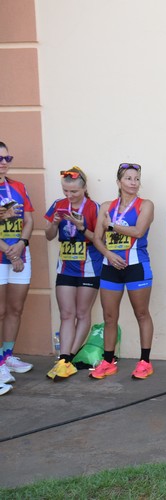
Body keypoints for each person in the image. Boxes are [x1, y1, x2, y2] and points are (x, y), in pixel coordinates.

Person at [90, 163, 155, 380]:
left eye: (136, 179)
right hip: (111, 266)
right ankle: (108, 361)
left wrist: (112, 226)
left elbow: (138, 231)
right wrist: (108, 255)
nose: (133, 183)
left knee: (141, 313)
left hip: (136, 266)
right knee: (109, 316)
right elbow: (97, 239)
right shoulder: (107, 206)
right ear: (119, 182)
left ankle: (145, 361)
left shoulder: (145, 205)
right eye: (128, 178)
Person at [44, 167, 103, 380]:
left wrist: (80, 227)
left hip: (89, 267)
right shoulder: (58, 205)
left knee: (82, 313)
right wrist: (55, 223)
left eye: (74, 192)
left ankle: (67, 359)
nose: (69, 196)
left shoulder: (94, 208)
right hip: (66, 266)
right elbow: (49, 236)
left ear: (84, 188)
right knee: (66, 314)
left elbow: (100, 239)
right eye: (65, 191)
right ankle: (63, 359)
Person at [0, 141, 35, 392]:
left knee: (15, 308)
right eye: (0, 158)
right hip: (4, 256)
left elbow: (29, 218)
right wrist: (11, 254)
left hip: (21, 253)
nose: (4, 163)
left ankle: (6, 356)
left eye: (7, 158)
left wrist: (22, 243)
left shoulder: (18, 187)